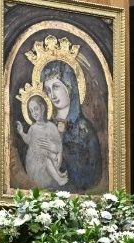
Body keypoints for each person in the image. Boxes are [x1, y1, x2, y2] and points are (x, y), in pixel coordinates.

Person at [42, 61, 102, 192]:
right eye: (48, 90)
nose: (52, 95)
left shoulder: (84, 129)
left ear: (69, 86)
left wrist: (64, 152)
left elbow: (93, 173)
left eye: (56, 87)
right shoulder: (47, 126)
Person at [15, 96, 68, 188]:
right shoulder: (33, 128)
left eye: (36, 109)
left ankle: (58, 174)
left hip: (50, 160)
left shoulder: (52, 127)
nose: (34, 113)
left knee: (50, 158)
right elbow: (28, 140)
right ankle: (59, 179)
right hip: (35, 164)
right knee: (46, 159)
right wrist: (21, 133)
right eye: (31, 111)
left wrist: (53, 148)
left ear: (43, 108)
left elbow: (59, 146)